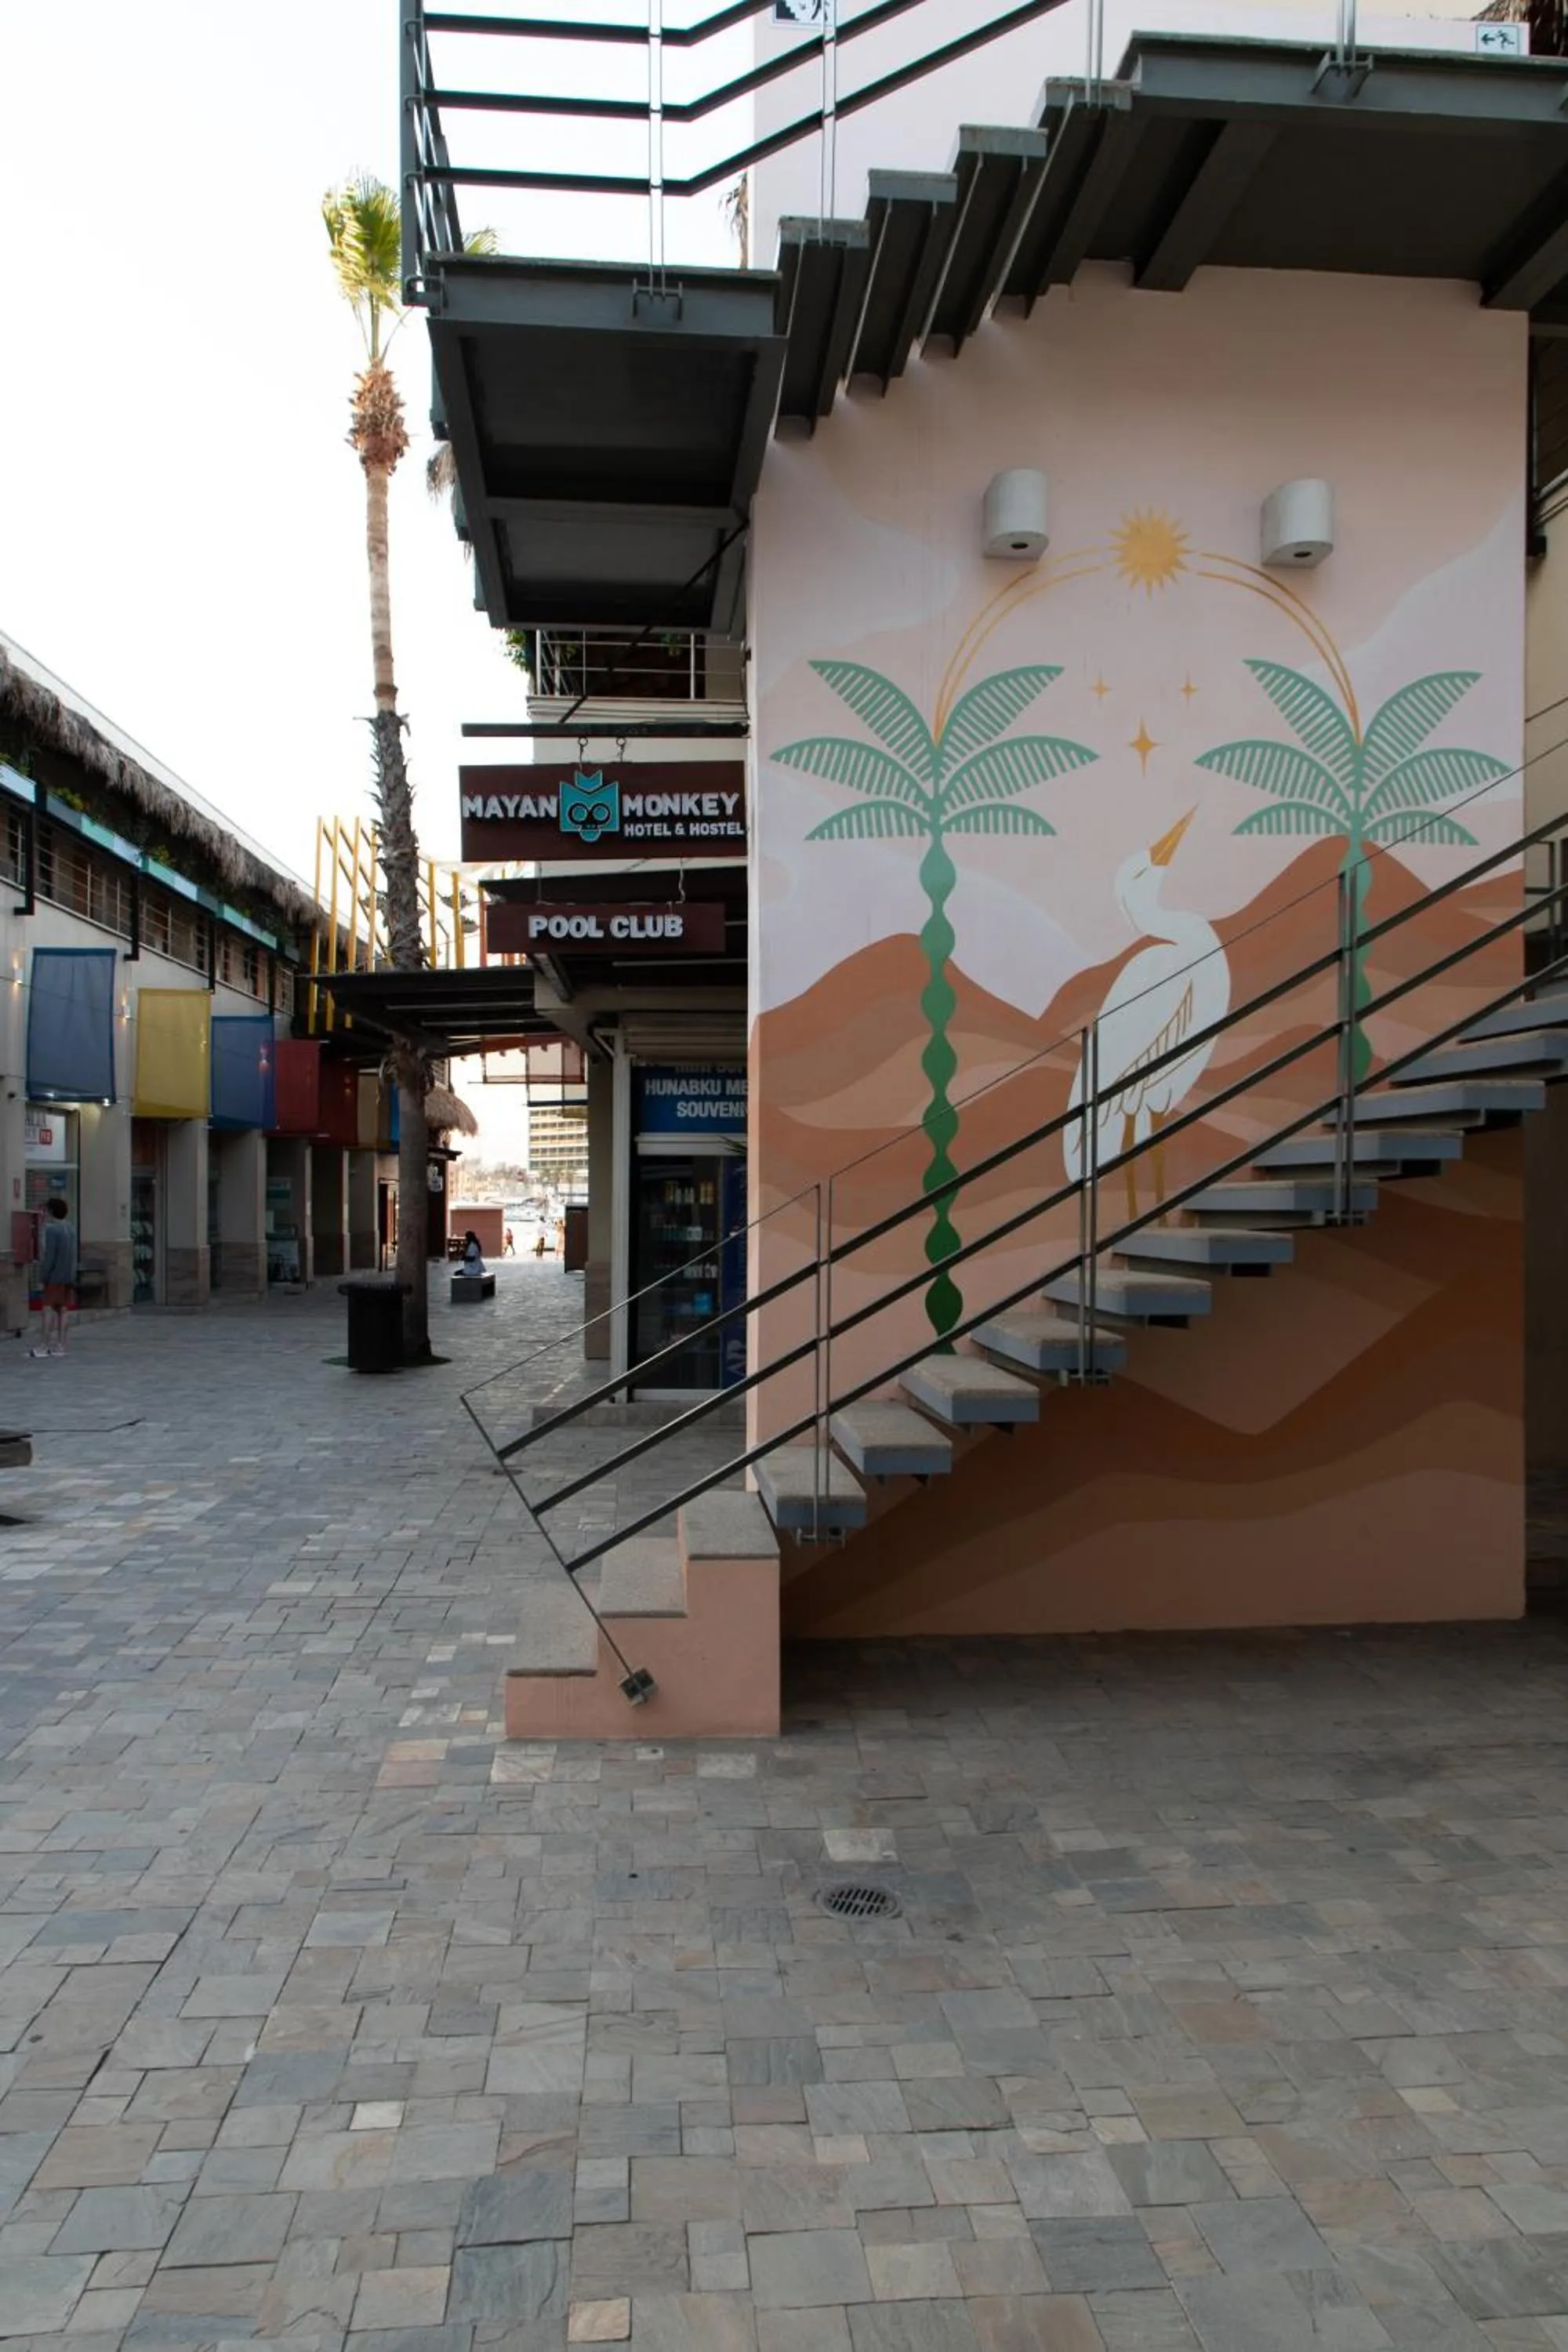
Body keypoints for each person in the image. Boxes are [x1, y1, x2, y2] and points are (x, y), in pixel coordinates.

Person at [33, 1196, 76, 1359]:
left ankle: (43, 1345)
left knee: (47, 1309)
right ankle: (61, 1345)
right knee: (63, 1310)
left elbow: (50, 1257)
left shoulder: (52, 1230)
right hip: (68, 1276)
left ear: (51, 1211)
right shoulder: (71, 1229)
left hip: (54, 1276)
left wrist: (43, 1276)